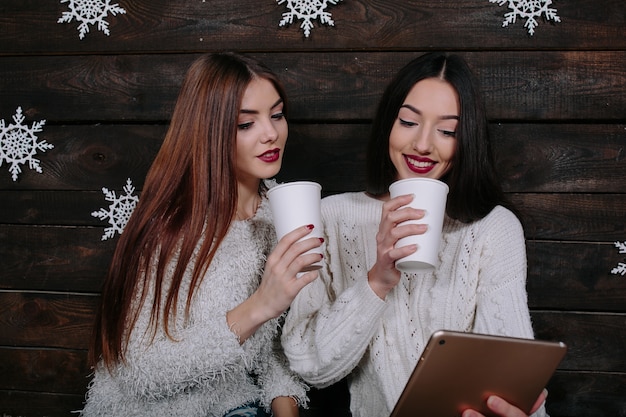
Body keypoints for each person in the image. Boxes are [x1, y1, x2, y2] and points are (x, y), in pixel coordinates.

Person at [281, 52, 549, 417]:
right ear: (388, 124)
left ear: (465, 140)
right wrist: (376, 281)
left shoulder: (493, 227)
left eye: (447, 131)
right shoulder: (333, 216)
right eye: (409, 122)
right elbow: (309, 363)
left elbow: (511, 370)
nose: (423, 144)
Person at [80, 52, 323, 417]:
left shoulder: (280, 212)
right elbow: (138, 371)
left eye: (276, 115)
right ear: (210, 130)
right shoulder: (172, 223)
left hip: (237, 406)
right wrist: (260, 305)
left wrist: (285, 407)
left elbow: (273, 346)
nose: (271, 133)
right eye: (246, 124)